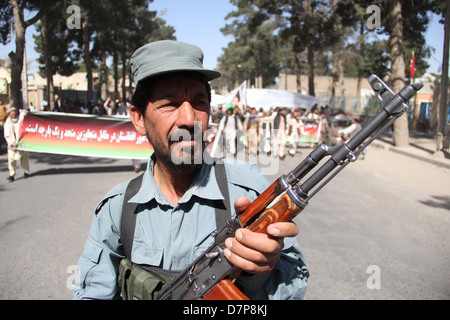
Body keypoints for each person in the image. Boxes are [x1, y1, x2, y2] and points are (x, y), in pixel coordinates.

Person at [73, 40, 308, 300]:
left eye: (198, 102)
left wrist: (258, 270)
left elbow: (295, 286)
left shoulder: (249, 192)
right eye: (170, 104)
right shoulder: (118, 209)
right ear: (139, 118)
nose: (188, 119)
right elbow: (92, 293)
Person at [4, 107, 30, 182]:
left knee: (24, 158)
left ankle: (26, 172)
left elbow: (23, 119)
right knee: (11, 160)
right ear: (9, 114)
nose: (13, 114)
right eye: (12, 113)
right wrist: (11, 142)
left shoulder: (19, 120)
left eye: (14, 113)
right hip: (12, 144)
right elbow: (7, 134)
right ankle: (12, 174)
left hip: (21, 143)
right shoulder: (7, 123)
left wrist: (24, 112)